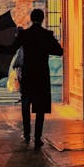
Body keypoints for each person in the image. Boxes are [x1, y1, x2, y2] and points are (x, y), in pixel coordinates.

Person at [12, 8, 63, 148]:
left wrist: (17, 37)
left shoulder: (25, 34)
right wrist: (48, 46)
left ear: (31, 18)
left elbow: (13, 48)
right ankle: (38, 138)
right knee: (40, 107)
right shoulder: (47, 35)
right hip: (41, 74)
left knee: (25, 103)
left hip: (28, 73)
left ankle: (27, 134)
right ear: (43, 19)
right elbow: (59, 52)